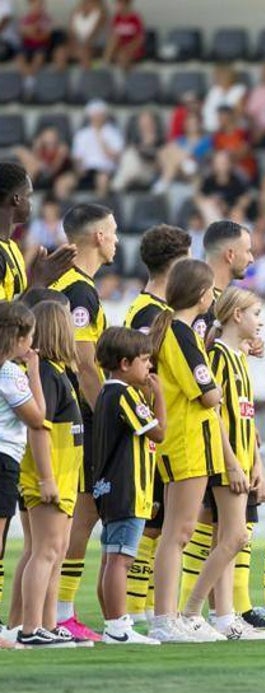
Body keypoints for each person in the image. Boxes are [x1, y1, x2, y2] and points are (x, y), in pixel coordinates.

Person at [181, 288, 265, 641]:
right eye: (256, 312)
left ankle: (223, 617)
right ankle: (190, 611)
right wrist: (233, 462)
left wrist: (256, 465)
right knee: (235, 536)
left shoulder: (238, 357)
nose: (261, 320)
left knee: (227, 537)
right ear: (237, 316)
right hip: (225, 459)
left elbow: (245, 417)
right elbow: (213, 413)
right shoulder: (217, 355)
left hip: (242, 460)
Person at [144, 260, 223, 643]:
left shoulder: (177, 330)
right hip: (186, 441)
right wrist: (218, 391)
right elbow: (209, 395)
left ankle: (167, 615)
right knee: (178, 533)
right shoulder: (180, 333)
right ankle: (164, 618)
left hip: (190, 442)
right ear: (202, 293)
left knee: (180, 532)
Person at [48, 203, 114, 643]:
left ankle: (53, 610)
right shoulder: (81, 291)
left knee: (73, 513)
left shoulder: (63, 284)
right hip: (79, 412)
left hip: (60, 408)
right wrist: (109, 414)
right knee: (81, 512)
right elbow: (86, 362)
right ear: (94, 237)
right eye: (111, 232)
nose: (116, 240)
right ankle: (60, 611)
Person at [121, 224, 191, 623]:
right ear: (179, 261)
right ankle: (136, 611)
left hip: (159, 429)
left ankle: (143, 609)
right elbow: (144, 376)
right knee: (153, 528)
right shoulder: (151, 313)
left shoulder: (149, 308)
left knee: (155, 526)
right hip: (156, 433)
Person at [12, 300, 81, 648]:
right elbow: (40, 429)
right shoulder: (48, 376)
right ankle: (30, 627)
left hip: (66, 476)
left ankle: (48, 624)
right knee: (45, 551)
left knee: (57, 551)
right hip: (50, 476)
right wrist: (46, 478)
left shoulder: (56, 372)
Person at [91, 327, 163, 645]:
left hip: (110, 488)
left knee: (111, 558)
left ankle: (113, 624)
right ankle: (118, 626)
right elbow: (158, 433)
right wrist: (159, 395)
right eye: (145, 360)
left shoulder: (107, 393)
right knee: (121, 560)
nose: (149, 367)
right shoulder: (123, 394)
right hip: (127, 489)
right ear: (124, 363)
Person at [0, 303, 42, 632]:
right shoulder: (10, 373)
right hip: (4, 458)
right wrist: (35, 372)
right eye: (29, 337)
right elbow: (37, 417)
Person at [0, 162, 75, 301]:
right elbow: (5, 317)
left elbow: (16, 309)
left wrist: (39, 282)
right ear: (16, 199)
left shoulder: (13, 248)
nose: (32, 202)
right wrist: (38, 282)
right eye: (29, 196)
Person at [71, 100, 123, 197]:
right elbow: (77, 158)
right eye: (95, 115)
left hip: (106, 170)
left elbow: (117, 157)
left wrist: (101, 139)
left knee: (102, 180)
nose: (97, 118)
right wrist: (78, 170)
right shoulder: (82, 134)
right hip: (87, 171)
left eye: (99, 115)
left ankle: (98, 210)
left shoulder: (113, 133)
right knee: (64, 183)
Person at [102, 0, 143, 70]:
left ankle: (125, 75)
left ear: (127, 5)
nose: (118, 7)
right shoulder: (117, 18)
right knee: (115, 38)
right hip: (118, 47)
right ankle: (105, 64)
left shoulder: (135, 19)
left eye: (120, 4)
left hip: (131, 48)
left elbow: (139, 39)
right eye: (117, 4)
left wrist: (128, 48)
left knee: (123, 55)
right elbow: (111, 37)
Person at [65, 0, 105, 68]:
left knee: (85, 53)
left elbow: (95, 34)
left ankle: (88, 72)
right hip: (78, 44)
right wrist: (74, 45)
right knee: (62, 52)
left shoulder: (100, 12)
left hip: (94, 45)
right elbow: (71, 32)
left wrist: (84, 46)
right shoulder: (76, 11)